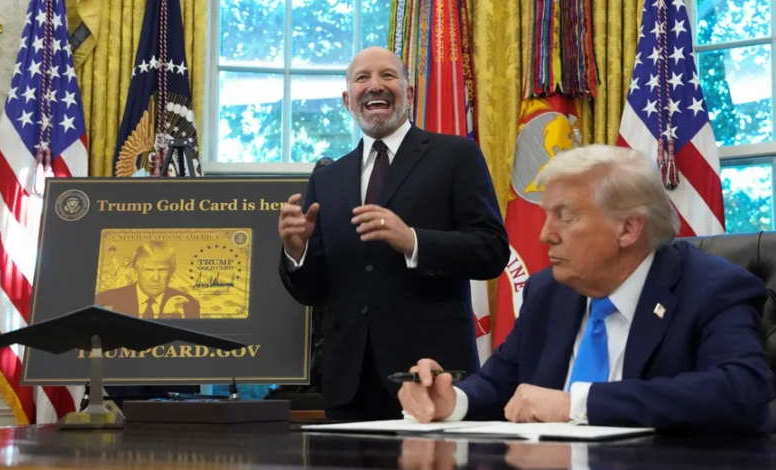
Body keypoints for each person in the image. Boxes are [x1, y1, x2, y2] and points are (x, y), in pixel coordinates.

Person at [398, 144, 772, 435]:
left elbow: (741, 389)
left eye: (566, 217)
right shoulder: (548, 291)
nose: (545, 234)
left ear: (628, 228)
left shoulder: (712, 288)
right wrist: (453, 400)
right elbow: (499, 382)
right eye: (546, 215)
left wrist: (578, 404)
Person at [278, 47, 509, 421]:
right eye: (362, 78)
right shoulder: (327, 179)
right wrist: (297, 252)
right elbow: (312, 292)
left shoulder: (456, 156)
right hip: (348, 384)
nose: (374, 86)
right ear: (347, 100)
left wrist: (413, 241)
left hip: (431, 376)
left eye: (387, 75)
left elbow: (492, 250)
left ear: (409, 93)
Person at [95, 241, 200, 319]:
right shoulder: (106, 299)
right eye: (149, 270)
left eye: (162, 270)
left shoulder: (189, 304)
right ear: (136, 270)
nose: (155, 278)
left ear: (171, 272)